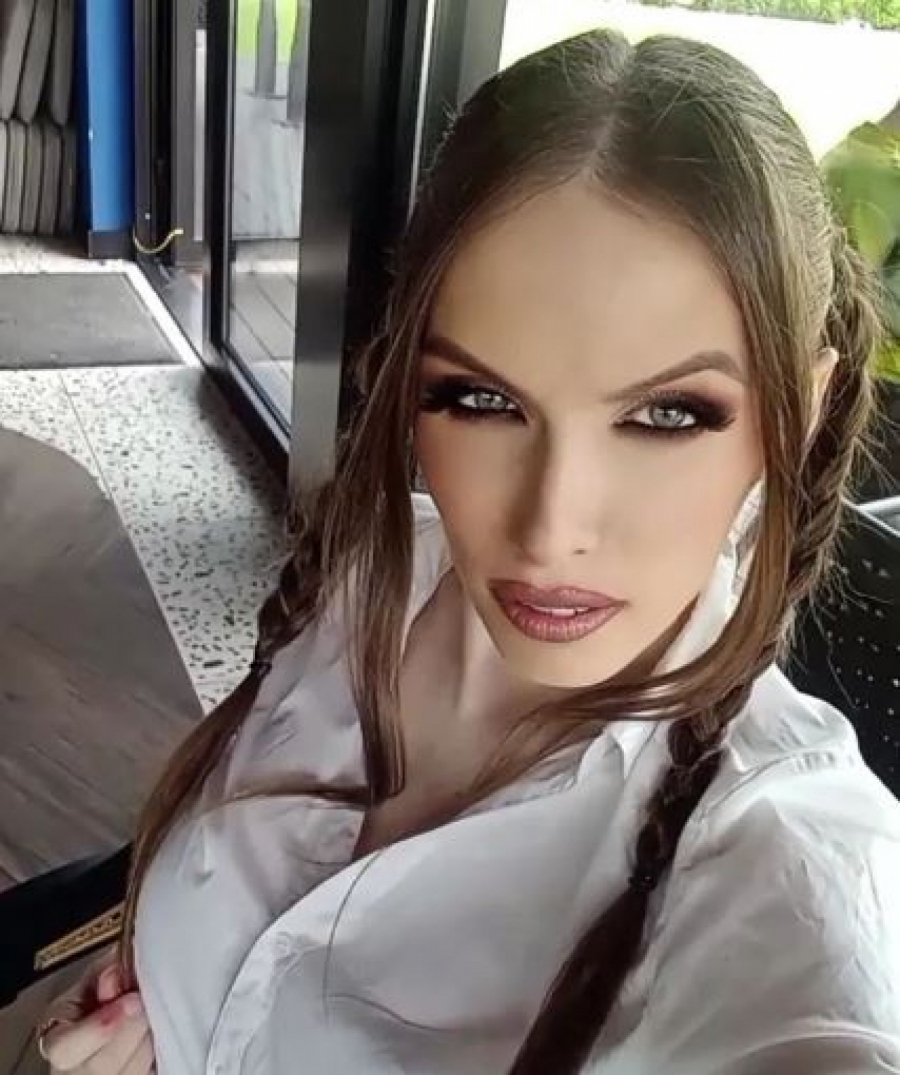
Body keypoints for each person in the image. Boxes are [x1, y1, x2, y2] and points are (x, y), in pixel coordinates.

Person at [39, 28, 900, 1075]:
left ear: (794, 414)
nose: (548, 527)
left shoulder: (788, 873)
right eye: (483, 399)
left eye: (667, 415)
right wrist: (168, 996)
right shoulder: (370, 580)